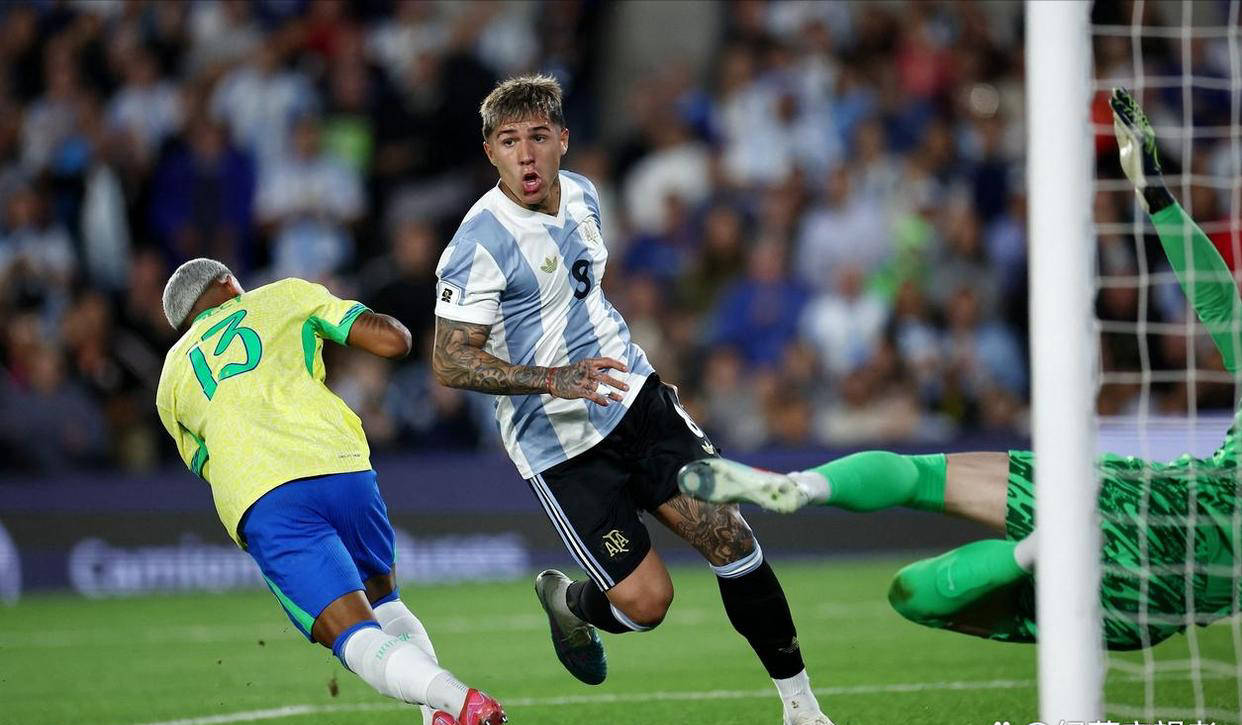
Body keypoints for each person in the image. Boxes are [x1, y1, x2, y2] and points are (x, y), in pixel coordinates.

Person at [678, 88, 1238, 653]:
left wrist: (1156, 195)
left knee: (916, 535)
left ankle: (806, 487)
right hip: (1146, 609)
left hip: (1144, 501)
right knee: (917, 594)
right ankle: (1040, 549)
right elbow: (1218, 305)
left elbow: (1218, 302)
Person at [431, 74, 833, 725]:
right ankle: (570, 603)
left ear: (563, 140)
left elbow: (582, 296)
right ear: (490, 152)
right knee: (647, 604)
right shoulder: (478, 243)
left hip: (635, 403)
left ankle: (802, 708)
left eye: (538, 137)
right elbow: (450, 360)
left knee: (730, 535)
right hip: (562, 446)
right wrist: (553, 378)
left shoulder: (585, 195)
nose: (526, 155)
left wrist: (638, 371)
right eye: (509, 141)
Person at [155, 259, 506, 725]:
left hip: (265, 494)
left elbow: (206, 463)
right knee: (386, 602)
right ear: (228, 283)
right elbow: (394, 341)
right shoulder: (284, 294)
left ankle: (462, 702)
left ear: (184, 324)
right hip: (341, 467)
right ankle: (435, 716)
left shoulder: (170, 380)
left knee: (354, 636)